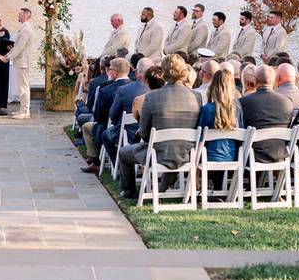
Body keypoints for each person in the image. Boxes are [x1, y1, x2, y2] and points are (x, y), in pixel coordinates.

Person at [117, 54, 202, 199]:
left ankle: (129, 191)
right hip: (186, 153)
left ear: (164, 71)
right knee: (172, 147)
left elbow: (143, 132)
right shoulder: (196, 96)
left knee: (124, 152)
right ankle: (162, 188)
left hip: (158, 154)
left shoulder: (151, 97)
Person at [81, 57, 131, 173]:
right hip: (133, 130)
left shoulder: (105, 90)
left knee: (86, 127)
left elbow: (97, 116)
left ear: (114, 72)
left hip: (112, 129)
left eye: (110, 69)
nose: (108, 71)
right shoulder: (137, 87)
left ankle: (95, 161)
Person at [239, 65, 293, 163]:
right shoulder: (287, 102)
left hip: (252, 155)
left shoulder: (244, 102)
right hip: (279, 154)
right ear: (273, 80)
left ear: (255, 80)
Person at [197, 67, 243, 165]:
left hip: (208, 156)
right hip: (231, 156)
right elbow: (241, 133)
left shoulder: (208, 109)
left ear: (213, 85)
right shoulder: (237, 108)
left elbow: (199, 136)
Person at [6, 8, 36, 120]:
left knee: (24, 87)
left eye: (19, 14)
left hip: (23, 62)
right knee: (22, 87)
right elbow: (18, 45)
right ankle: (22, 109)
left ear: (25, 15)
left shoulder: (26, 29)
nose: (18, 15)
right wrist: (10, 49)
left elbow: (20, 47)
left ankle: (25, 111)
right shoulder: (24, 27)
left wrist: (8, 57)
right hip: (21, 61)